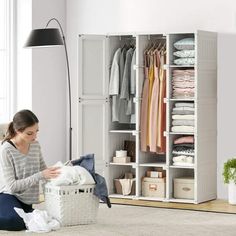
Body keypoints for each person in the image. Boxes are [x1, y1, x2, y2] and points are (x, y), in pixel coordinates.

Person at [0, 109, 60, 231]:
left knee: (40, 219)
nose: (35, 136)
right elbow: (11, 186)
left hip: (27, 200)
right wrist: (40, 175)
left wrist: (60, 177)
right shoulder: (6, 150)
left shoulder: (35, 145)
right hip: (8, 196)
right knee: (15, 222)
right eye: (29, 133)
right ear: (17, 131)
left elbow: (44, 171)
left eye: (36, 131)